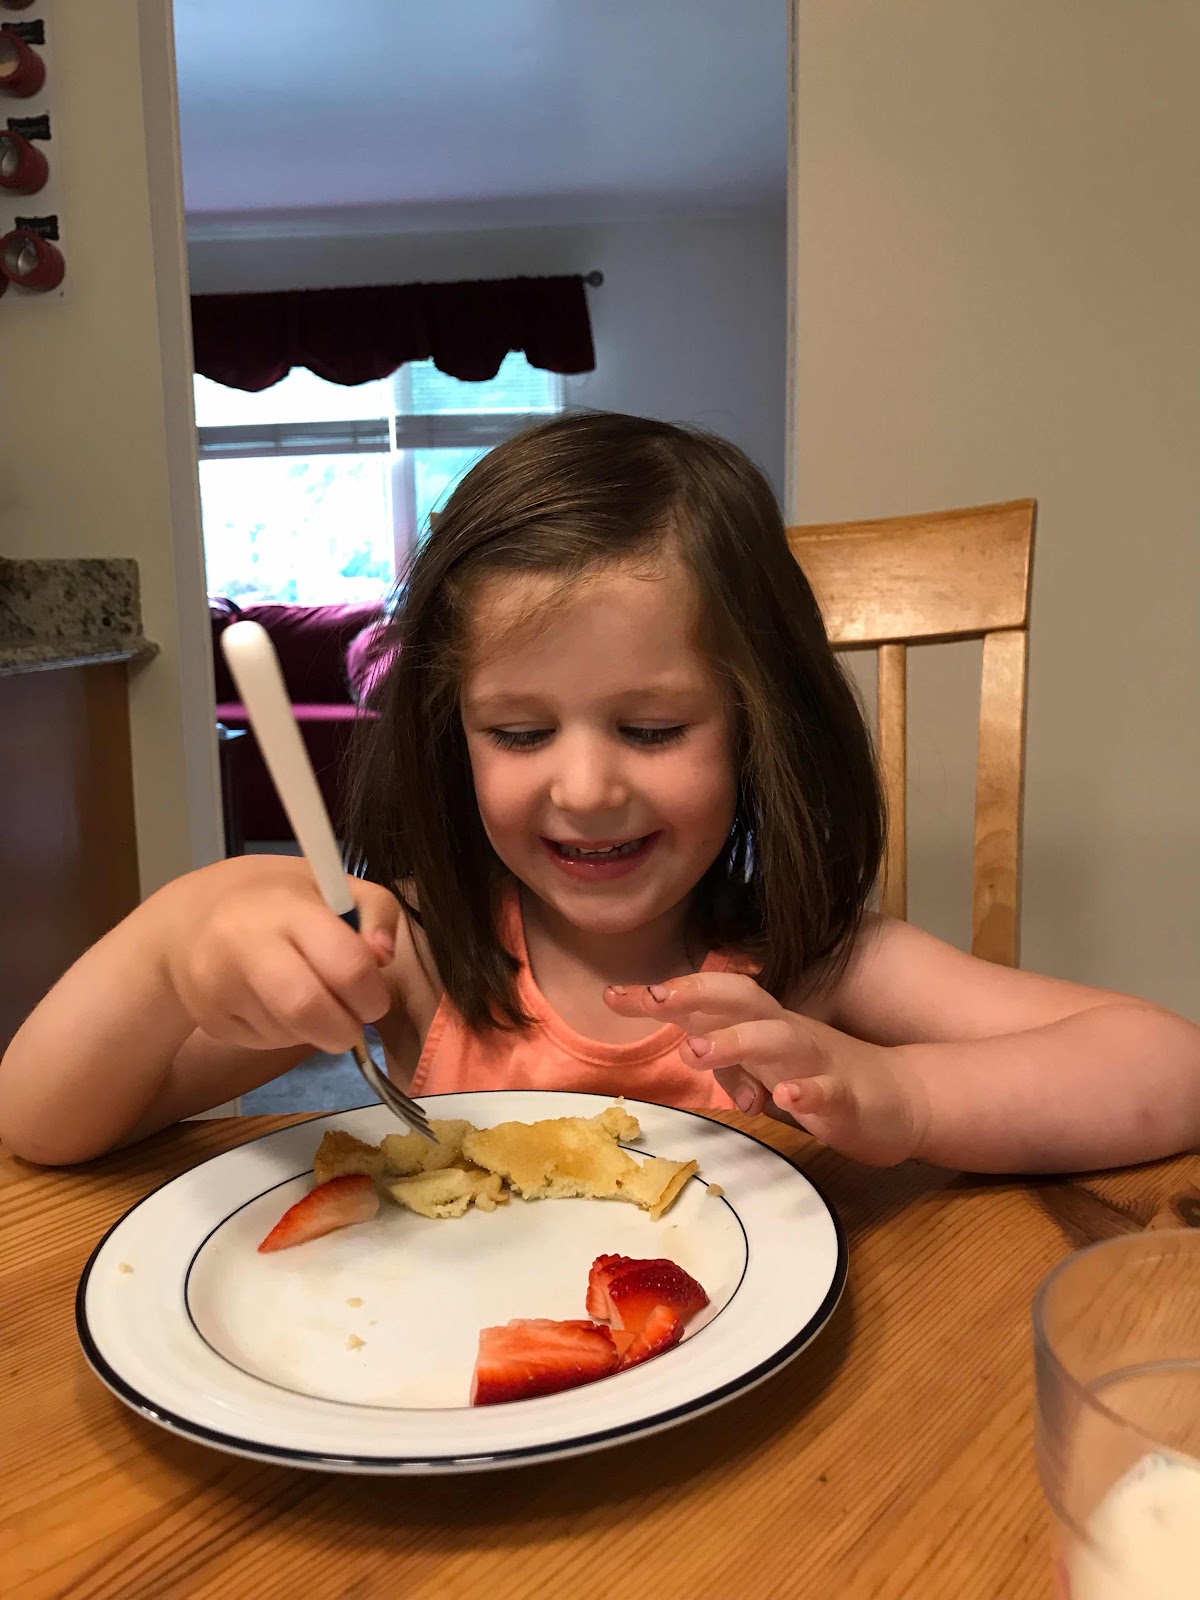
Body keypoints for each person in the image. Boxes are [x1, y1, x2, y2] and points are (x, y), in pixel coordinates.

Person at [2, 414, 1197, 1172]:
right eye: (520, 732)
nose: (584, 786)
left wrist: (906, 1092)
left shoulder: (810, 962)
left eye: (652, 727)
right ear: (454, 738)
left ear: (758, 723)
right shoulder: (411, 957)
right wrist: (174, 947)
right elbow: (39, 1121)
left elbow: (1165, 1067)